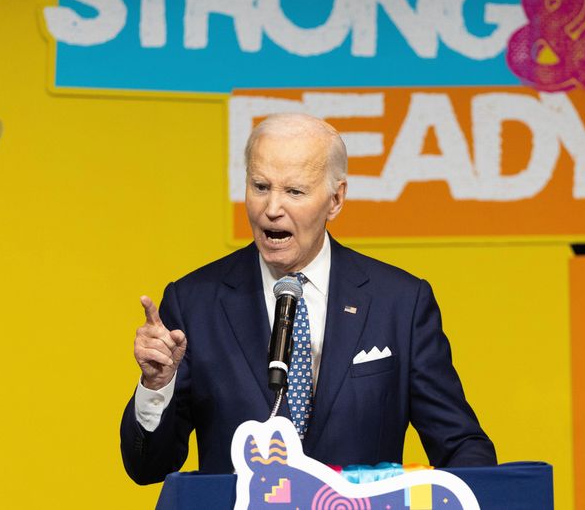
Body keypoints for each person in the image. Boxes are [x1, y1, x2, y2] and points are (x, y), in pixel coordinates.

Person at [120, 113, 496, 484]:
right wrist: (157, 386)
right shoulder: (193, 302)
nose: (271, 208)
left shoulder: (399, 303)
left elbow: (460, 444)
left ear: (335, 200)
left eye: (294, 191)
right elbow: (148, 468)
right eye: (260, 186)